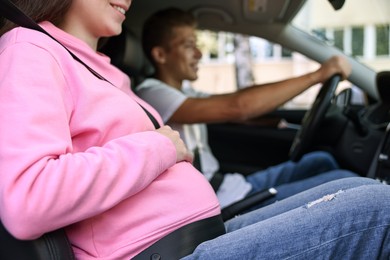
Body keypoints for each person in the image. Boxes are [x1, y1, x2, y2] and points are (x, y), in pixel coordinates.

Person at [0, 1, 389, 259]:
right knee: (379, 211)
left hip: (196, 232)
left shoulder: (99, 69)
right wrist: (159, 147)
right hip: (161, 251)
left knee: (359, 191)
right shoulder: (29, 49)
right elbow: (28, 199)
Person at [136, 7, 356, 209]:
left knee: (321, 161)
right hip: (220, 202)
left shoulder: (186, 92)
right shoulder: (151, 92)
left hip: (230, 185)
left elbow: (239, 98)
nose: (199, 54)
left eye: (196, 44)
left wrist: (266, 121)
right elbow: (237, 107)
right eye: (188, 45)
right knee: (345, 182)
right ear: (160, 55)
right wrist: (317, 76)